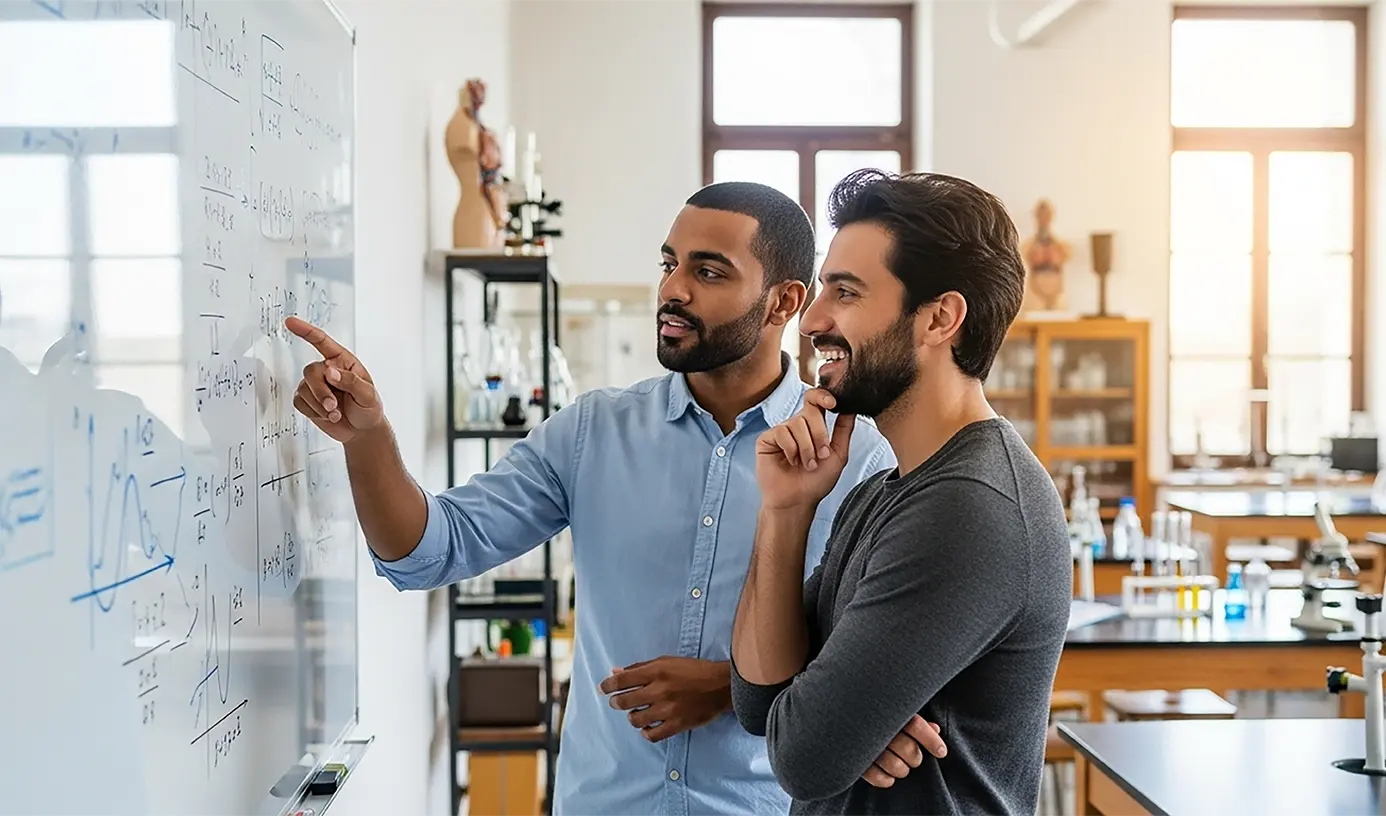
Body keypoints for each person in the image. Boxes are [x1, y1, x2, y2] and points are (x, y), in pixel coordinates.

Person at [284, 181, 898, 815]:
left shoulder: (860, 460)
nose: (673, 290)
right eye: (669, 264)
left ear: (783, 303)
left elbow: (876, 664)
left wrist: (731, 688)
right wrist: (368, 441)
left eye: (708, 271)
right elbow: (428, 552)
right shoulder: (590, 434)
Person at [730, 169, 1072, 814]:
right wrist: (785, 511)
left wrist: (824, 711)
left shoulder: (970, 505)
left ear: (939, 318)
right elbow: (757, 701)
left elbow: (801, 754)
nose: (813, 320)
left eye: (847, 292)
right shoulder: (886, 489)